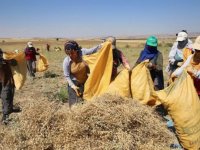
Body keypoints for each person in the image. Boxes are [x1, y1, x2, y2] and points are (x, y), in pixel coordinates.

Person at [63, 41, 102, 107]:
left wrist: (103, 45)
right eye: (68, 54)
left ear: (76, 50)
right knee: (75, 103)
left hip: (85, 81)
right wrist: (73, 86)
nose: (70, 55)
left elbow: (94, 50)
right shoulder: (66, 61)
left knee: (88, 100)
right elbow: (67, 75)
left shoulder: (83, 52)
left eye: (72, 53)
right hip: (74, 82)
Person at [0, 48, 20, 125]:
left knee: (6, 98)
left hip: (6, 80)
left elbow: (15, 63)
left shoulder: (6, 55)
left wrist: (10, 60)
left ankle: (5, 118)